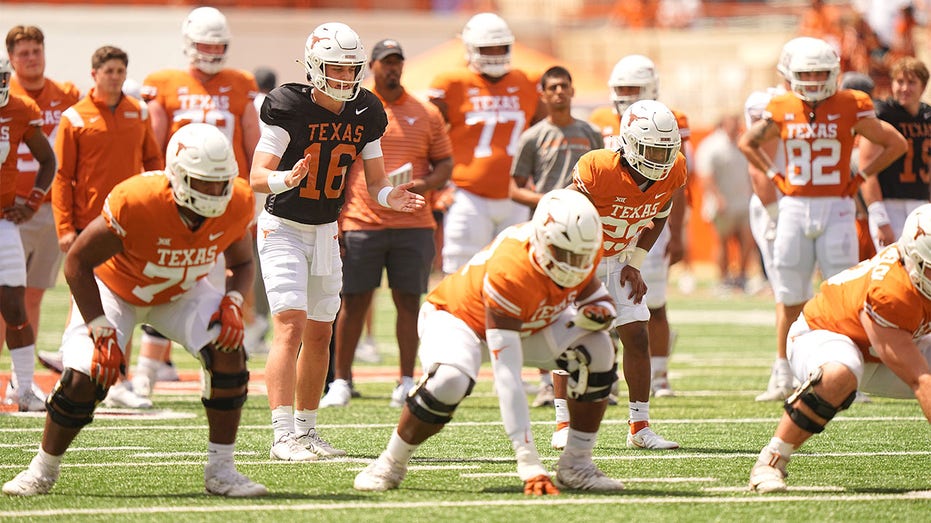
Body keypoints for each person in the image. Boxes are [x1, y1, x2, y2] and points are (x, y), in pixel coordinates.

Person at [1, 123, 267, 497]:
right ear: (176, 175)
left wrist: (234, 302)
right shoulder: (136, 199)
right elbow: (76, 262)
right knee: (85, 376)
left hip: (181, 291)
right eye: (202, 181)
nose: (214, 191)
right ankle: (42, 470)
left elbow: (241, 263)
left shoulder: (236, 200)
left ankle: (221, 470)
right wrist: (101, 328)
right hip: (117, 290)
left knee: (230, 354)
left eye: (220, 181)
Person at [353, 189, 623, 494]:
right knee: (449, 381)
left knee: (598, 348)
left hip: (527, 321)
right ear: (542, 240)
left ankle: (577, 464)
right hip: (459, 319)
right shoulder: (512, 268)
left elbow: (597, 296)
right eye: (566, 255)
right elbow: (507, 373)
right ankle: (389, 462)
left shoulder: (579, 244)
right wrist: (528, 461)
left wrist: (601, 313)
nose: (575, 265)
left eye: (582, 257)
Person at [250, 22, 425, 462]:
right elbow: (255, 177)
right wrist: (284, 178)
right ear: (314, 66)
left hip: (326, 229)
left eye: (351, 69)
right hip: (283, 226)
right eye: (336, 68)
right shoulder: (288, 105)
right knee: (289, 325)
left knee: (321, 331)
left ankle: (307, 431)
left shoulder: (365, 111)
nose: (346, 78)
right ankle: (282, 435)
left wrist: (391, 197)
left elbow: (377, 182)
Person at [738, 37, 907, 402]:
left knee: (843, 294)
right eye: (805, 74)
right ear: (791, 75)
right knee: (789, 294)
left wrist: (860, 176)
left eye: (820, 73)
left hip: (837, 204)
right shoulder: (782, 104)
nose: (813, 80)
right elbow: (747, 143)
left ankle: (852, 373)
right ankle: (782, 372)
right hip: (795, 206)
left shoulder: (851, 103)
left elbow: (895, 143)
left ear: (833, 73)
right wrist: (774, 176)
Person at [749, 203, 931, 493]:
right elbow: (920, 380)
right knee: (840, 374)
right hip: (823, 334)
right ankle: (770, 461)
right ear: (913, 260)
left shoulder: (919, 264)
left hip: (888, 342)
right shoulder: (891, 292)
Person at [549, 99, 687, 452]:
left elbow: (660, 215)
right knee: (571, 339)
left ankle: (639, 426)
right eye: (650, 149)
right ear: (628, 142)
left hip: (620, 258)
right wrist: (569, 264)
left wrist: (635, 262)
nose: (658, 159)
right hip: (584, 259)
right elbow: (565, 209)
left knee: (637, 337)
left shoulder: (674, 170)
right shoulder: (597, 168)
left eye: (664, 150)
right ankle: (563, 421)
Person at [322, 38, 453, 408]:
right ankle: (341, 381)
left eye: (397, 62)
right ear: (372, 66)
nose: (392, 68)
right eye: (385, 62)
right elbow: (340, 164)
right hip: (362, 219)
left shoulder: (425, 112)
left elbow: (445, 162)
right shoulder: (354, 106)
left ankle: (407, 379)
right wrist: (338, 216)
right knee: (352, 302)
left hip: (413, 221)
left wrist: (424, 186)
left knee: (409, 302)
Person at [136, 6, 261, 392]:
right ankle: (145, 372)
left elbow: (253, 144)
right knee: (170, 278)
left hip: (225, 197)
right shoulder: (165, 82)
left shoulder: (240, 82)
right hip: (179, 196)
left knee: (217, 283)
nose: (211, 51)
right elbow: (153, 148)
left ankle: (213, 367)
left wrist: (255, 192)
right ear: (189, 43)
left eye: (217, 44)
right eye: (205, 43)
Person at [50, 45, 164, 408]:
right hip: (89, 223)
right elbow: (63, 176)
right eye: (109, 70)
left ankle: (118, 379)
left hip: (130, 221)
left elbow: (152, 160)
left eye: (120, 70)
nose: (114, 77)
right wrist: (66, 227)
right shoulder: (75, 117)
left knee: (126, 297)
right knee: (82, 303)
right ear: (94, 73)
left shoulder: (138, 111)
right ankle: (73, 374)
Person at [588, 54, 690, 401]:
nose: (627, 95)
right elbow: (580, 194)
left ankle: (657, 379)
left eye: (635, 88)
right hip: (603, 223)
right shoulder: (600, 135)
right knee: (586, 322)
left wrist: (676, 231)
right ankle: (592, 392)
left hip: (643, 218)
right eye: (622, 89)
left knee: (650, 306)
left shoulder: (670, 133)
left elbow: (669, 194)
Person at [508, 65, 603, 409]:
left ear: (573, 91)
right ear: (544, 94)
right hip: (547, 230)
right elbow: (515, 188)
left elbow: (602, 178)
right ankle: (548, 383)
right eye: (553, 87)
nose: (560, 92)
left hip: (585, 230)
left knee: (589, 301)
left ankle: (596, 378)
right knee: (547, 303)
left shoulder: (590, 133)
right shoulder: (532, 137)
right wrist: (549, 200)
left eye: (565, 85)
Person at [428, 12, 545, 276]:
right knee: (461, 272)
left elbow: (545, 135)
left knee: (511, 273)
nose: (494, 53)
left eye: (500, 47)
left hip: (517, 195)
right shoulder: (451, 83)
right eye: (486, 47)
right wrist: (438, 186)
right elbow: (429, 136)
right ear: (470, 47)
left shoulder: (530, 81)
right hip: (468, 195)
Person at [3, 27, 79, 386]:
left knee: (31, 293)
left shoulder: (65, 94)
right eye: (24, 52)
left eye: (37, 50)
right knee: (7, 296)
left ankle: (22, 377)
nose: (31, 57)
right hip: (8, 208)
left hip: (48, 205)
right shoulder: (8, 93)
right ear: (11, 58)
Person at [0, 53, 56, 412]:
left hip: (4, 221)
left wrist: (33, 201)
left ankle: (23, 388)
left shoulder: (20, 108)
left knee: (15, 305)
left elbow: (48, 159)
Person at [860, 57, 931, 251]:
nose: (904, 88)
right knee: (893, 266)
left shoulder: (928, 116)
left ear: (923, 86)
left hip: (921, 204)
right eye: (900, 81)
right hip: (890, 203)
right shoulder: (883, 114)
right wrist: (880, 218)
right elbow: (867, 169)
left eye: (911, 82)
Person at [695, 114, 754, 292]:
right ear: (723, 123)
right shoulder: (712, 145)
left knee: (747, 240)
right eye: (733, 122)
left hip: (743, 200)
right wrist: (717, 197)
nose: (736, 126)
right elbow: (705, 175)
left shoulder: (742, 143)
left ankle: (742, 277)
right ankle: (723, 279)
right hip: (722, 202)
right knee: (722, 241)